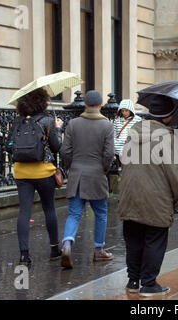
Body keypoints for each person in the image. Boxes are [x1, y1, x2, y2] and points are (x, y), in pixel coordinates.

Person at [119, 95, 178, 297]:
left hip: (130, 195)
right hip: (156, 198)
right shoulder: (167, 137)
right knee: (154, 239)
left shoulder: (134, 130)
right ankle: (148, 284)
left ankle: (133, 281)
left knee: (133, 240)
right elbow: (173, 173)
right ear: (168, 116)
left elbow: (124, 159)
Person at [7, 88, 64, 265]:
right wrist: (57, 129)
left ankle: (24, 255)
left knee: (24, 211)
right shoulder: (47, 121)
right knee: (49, 209)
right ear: (42, 102)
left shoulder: (17, 122)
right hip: (43, 172)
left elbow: (9, 146)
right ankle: (54, 249)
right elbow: (57, 147)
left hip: (22, 172)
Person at [60, 90, 115, 269]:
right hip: (97, 175)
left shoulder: (73, 124)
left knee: (74, 214)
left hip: (77, 175)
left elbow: (65, 151)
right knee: (101, 213)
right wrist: (103, 169)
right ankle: (99, 250)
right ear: (100, 105)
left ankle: (67, 243)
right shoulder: (107, 126)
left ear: (85, 105)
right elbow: (109, 154)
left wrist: (72, 167)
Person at [113, 99, 142, 165]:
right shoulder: (117, 120)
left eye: (126, 110)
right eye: (122, 111)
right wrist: (115, 144)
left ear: (130, 110)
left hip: (132, 149)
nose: (124, 113)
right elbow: (113, 134)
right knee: (121, 169)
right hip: (118, 149)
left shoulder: (138, 120)